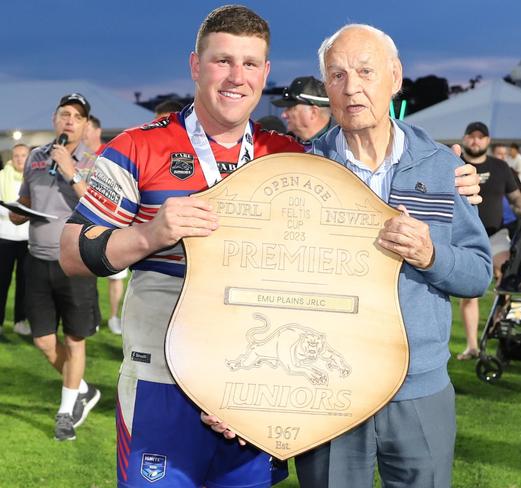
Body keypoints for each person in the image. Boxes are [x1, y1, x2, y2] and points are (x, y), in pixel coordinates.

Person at [60, 7, 481, 487]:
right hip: (164, 383)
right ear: (196, 66)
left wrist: (455, 180)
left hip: (263, 389)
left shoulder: (286, 155)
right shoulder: (138, 147)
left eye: (250, 64)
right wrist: (147, 235)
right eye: (222, 61)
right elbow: (72, 253)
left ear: (264, 74)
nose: (236, 77)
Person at [292, 24, 492, 488]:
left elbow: (478, 274)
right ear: (326, 87)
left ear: (395, 77)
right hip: (328, 388)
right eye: (337, 75)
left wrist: (430, 255)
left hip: (420, 390)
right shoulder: (304, 169)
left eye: (366, 71)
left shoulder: (443, 167)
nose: (352, 87)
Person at [8, 93, 101, 441]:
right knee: (44, 341)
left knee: (75, 339)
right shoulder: (34, 157)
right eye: (65, 114)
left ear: (85, 124)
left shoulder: (93, 161)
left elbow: (97, 208)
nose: (70, 120)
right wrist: (18, 210)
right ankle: (82, 389)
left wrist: (70, 170)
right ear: (54, 119)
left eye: (77, 116)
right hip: (37, 260)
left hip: (75, 262)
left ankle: (65, 412)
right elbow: (26, 203)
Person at [457, 122, 521, 360]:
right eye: (471, 137)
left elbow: (517, 200)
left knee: (504, 277)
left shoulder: (500, 167)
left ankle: (499, 325)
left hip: (495, 234)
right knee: (470, 292)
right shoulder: (453, 164)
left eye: (480, 137)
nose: (476, 141)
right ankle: (472, 346)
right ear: (465, 139)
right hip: (464, 236)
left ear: (488, 141)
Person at [83, 116, 125, 334]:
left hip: (113, 224)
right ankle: (92, 316)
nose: (84, 131)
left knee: (115, 276)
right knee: (85, 274)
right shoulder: (78, 158)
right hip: (85, 224)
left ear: (98, 130)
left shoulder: (110, 154)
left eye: (88, 127)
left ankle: (115, 317)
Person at [0, 143, 30, 336]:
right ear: (12, 157)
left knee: (25, 283)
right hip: (4, 238)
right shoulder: (2, 176)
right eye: (17, 156)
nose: (20, 159)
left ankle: (20, 321)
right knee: (2, 282)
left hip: (27, 238)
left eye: (24, 156)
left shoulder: (33, 179)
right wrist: (14, 211)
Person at [271, 76, 334, 149]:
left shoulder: (342, 147)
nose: (283, 115)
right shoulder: (284, 147)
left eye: (291, 108)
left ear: (313, 112)